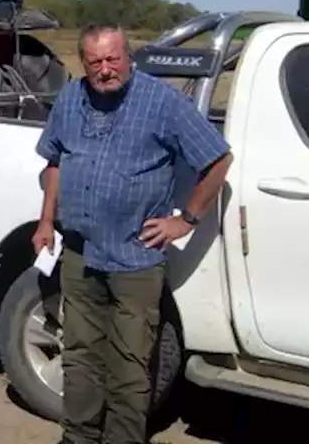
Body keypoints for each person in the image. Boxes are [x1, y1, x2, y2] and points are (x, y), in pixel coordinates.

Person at [31, 23, 234, 444]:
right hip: (80, 252)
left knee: (129, 362)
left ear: (129, 57)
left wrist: (186, 220)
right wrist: (46, 221)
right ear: (83, 64)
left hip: (135, 257)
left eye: (113, 59)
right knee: (79, 354)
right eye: (95, 62)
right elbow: (54, 161)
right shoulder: (72, 97)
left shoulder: (163, 103)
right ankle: (79, 435)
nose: (105, 70)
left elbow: (219, 159)